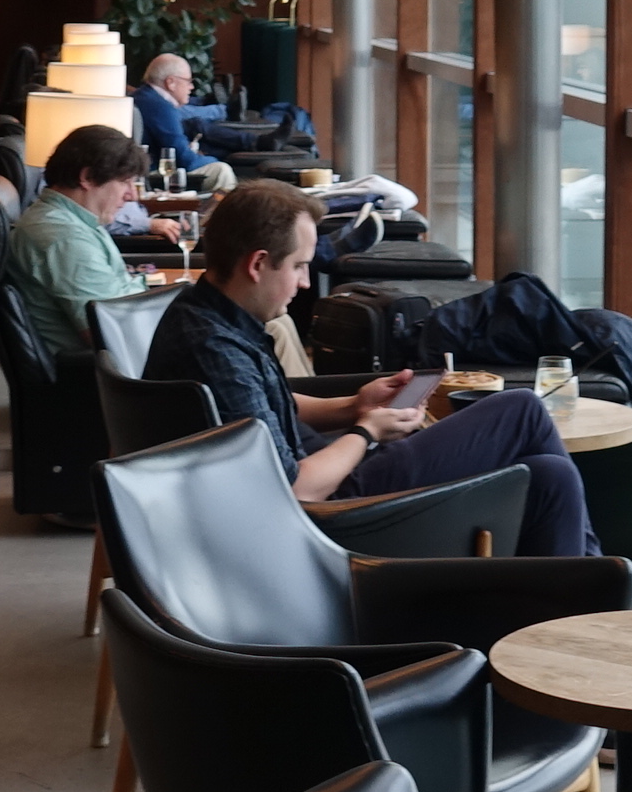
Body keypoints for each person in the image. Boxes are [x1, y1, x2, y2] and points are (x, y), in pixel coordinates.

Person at [142, 178, 599, 561]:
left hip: (321, 478)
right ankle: (605, 585)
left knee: (551, 477)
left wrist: (353, 406)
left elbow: (260, 407)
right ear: (259, 264)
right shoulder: (215, 348)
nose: (304, 283)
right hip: (332, 515)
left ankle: (592, 597)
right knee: (519, 409)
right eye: (300, 267)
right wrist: (365, 432)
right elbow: (296, 488)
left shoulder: (204, 313)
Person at [4, 124, 157, 359]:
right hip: (113, 373)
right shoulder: (63, 238)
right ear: (87, 177)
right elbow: (111, 333)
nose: (131, 196)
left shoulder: (73, 220)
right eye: (124, 182)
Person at [132, 54, 239, 192]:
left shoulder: (145, 96)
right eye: (188, 81)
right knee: (221, 170)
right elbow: (184, 159)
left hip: (148, 170)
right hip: (152, 176)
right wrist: (211, 160)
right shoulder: (160, 107)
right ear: (170, 82)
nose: (191, 87)